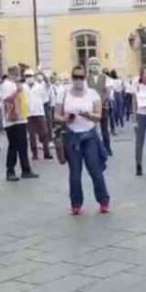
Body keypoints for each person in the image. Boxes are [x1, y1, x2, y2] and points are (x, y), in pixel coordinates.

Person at [56, 66, 110, 215]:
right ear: (72, 77)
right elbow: (56, 116)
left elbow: (99, 116)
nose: (78, 80)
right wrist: (66, 118)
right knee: (75, 172)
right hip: (72, 135)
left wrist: (88, 115)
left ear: (85, 78)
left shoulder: (92, 94)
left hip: (89, 135)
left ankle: (103, 201)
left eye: (81, 77)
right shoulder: (63, 94)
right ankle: (76, 204)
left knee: (95, 170)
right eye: (75, 77)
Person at [2, 70, 38, 181]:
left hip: (21, 119)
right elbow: (6, 99)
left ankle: (26, 170)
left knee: (23, 146)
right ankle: (10, 171)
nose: (17, 75)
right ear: (9, 74)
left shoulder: (19, 84)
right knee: (13, 146)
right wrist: (16, 91)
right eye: (15, 73)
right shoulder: (6, 85)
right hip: (11, 120)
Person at [86, 57, 112, 156]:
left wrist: (101, 102)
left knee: (104, 128)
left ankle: (107, 148)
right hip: (91, 107)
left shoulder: (105, 78)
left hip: (103, 106)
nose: (94, 66)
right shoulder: (86, 79)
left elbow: (107, 92)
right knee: (93, 128)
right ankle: (95, 148)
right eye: (92, 64)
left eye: (96, 64)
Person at [25, 69, 52, 160]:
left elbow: (48, 83)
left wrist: (42, 73)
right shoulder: (23, 87)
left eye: (30, 76)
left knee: (44, 132)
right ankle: (35, 154)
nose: (29, 78)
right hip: (28, 113)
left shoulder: (39, 86)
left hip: (39, 112)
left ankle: (46, 152)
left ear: (33, 77)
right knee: (32, 135)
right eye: (27, 76)